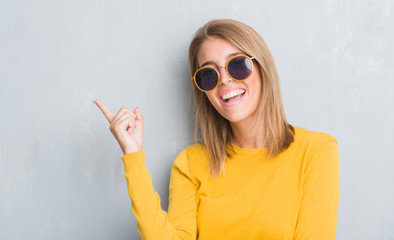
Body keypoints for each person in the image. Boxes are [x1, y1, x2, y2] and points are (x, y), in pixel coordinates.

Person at [93, 19, 339, 240]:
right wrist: (133, 156)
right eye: (208, 75)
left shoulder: (316, 151)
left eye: (237, 65)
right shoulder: (190, 163)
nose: (224, 80)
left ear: (263, 68)